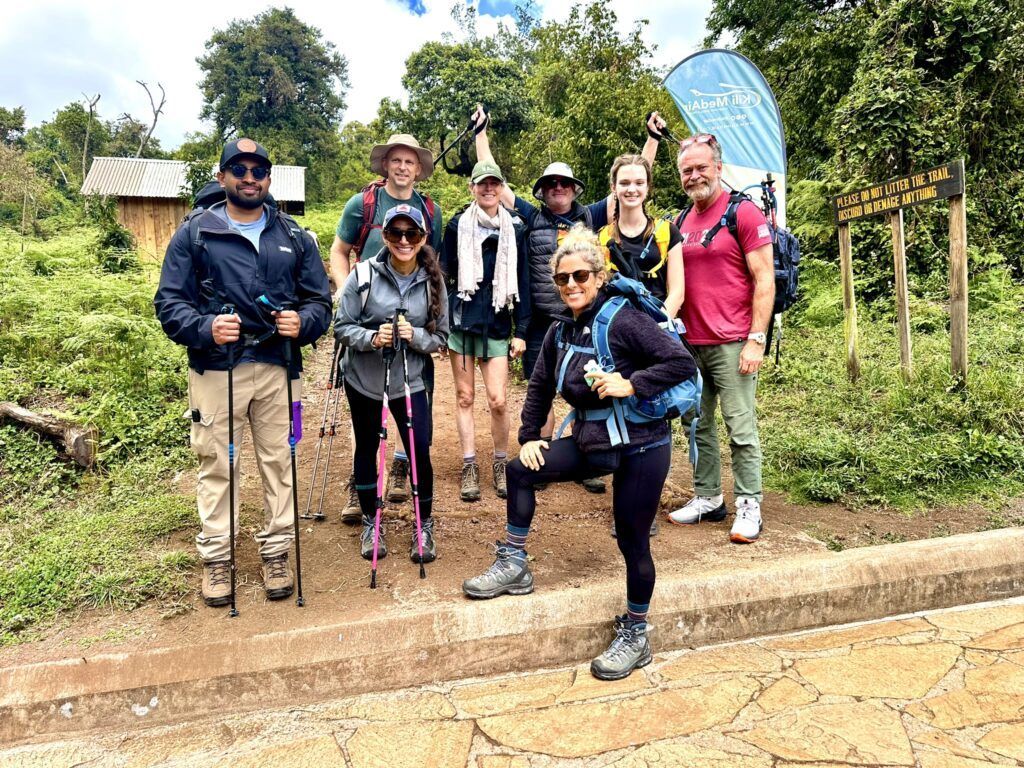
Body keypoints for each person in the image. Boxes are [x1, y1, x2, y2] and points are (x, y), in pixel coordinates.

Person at [462, 226, 696, 681]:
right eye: (564, 278)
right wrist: (530, 436)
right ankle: (514, 565)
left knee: (632, 540)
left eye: (581, 276)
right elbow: (540, 386)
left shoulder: (624, 319)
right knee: (520, 470)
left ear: (599, 276)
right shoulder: (559, 330)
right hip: (595, 441)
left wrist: (632, 384)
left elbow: (680, 362)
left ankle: (636, 632)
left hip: (643, 446)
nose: (572, 285)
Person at [154, 138, 332, 606]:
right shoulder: (195, 233)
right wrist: (206, 327)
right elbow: (169, 303)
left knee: (281, 460)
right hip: (217, 369)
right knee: (217, 464)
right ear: (222, 176)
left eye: (258, 171)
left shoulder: (293, 236)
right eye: (239, 169)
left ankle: (276, 551)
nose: (249, 177)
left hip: (279, 367)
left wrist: (304, 323)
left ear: (269, 180)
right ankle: (217, 559)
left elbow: (319, 302)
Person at [472, 107, 667, 494]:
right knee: (540, 391)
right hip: (545, 320)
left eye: (564, 183)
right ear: (543, 190)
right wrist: (481, 133)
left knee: (590, 389)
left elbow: (632, 179)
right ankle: (540, 458)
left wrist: (653, 140)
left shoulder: (592, 215)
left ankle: (591, 460)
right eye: (551, 184)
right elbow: (493, 181)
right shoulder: (530, 217)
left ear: (574, 188)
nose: (557, 188)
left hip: (586, 320)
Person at [666, 134, 775, 543]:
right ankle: (708, 497)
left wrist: (756, 339)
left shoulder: (741, 213)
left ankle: (750, 505)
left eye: (700, 168)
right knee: (697, 425)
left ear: (717, 168)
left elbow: (764, 279)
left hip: (733, 341)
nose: (694, 176)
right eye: (686, 171)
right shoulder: (679, 222)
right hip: (691, 343)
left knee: (740, 426)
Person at [329, 134, 444, 518]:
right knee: (365, 433)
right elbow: (339, 250)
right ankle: (361, 494)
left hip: (410, 359)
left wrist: (421, 330)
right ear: (385, 165)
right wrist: (351, 290)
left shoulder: (430, 209)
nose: (402, 167)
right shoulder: (362, 204)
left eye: (409, 161)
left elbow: (431, 264)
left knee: (414, 434)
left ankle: (401, 475)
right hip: (366, 309)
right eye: (395, 160)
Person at [335, 204, 449, 562]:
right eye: (396, 233)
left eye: (411, 233)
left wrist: (413, 334)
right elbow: (341, 327)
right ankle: (372, 521)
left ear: (422, 238)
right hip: (365, 378)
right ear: (384, 236)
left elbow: (442, 337)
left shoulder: (434, 280)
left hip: (411, 379)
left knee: (419, 450)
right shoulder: (363, 274)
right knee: (367, 447)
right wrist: (372, 337)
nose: (403, 240)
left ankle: (423, 524)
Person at [441, 160, 530, 502]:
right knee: (465, 398)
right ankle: (468, 465)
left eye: (494, 183)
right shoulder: (456, 227)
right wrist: (440, 321)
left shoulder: (516, 229)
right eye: (482, 184)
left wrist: (521, 329)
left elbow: (520, 281)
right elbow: (443, 275)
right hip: (462, 325)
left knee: (499, 400)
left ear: (501, 187)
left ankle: (499, 462)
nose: (488, 189)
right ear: (472, 188)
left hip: (495, 323)